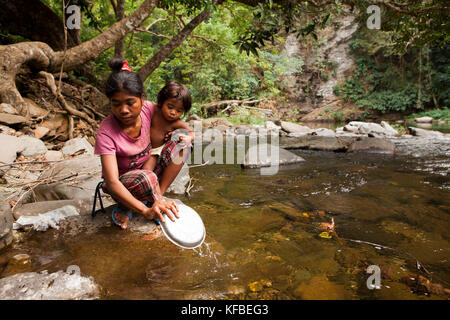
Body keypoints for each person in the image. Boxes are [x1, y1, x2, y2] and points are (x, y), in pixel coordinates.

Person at [94, 59, 190, 229]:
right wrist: (145, 212)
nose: (123, 110)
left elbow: (175, 115)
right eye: (116, 104)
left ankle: (158, 198)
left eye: (130, 103)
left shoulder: (149, 109)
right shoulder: (106, 132)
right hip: (124, 184)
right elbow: (112, 182)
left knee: (182, 142)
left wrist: (186, 135)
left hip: (148, 171)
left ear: (142, 99)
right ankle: (132, 205)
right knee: (147, 177)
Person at [145, 81, 194, 194]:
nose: (173, 113)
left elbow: (192, 132)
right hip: (141, 147)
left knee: (147, 170)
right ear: (162, 102)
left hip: (155, 152)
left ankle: (159, 194)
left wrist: (189, 138)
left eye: (179, 111)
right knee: (146, 173)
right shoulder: (153, 109)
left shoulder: (176, 122)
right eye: (170, 107)